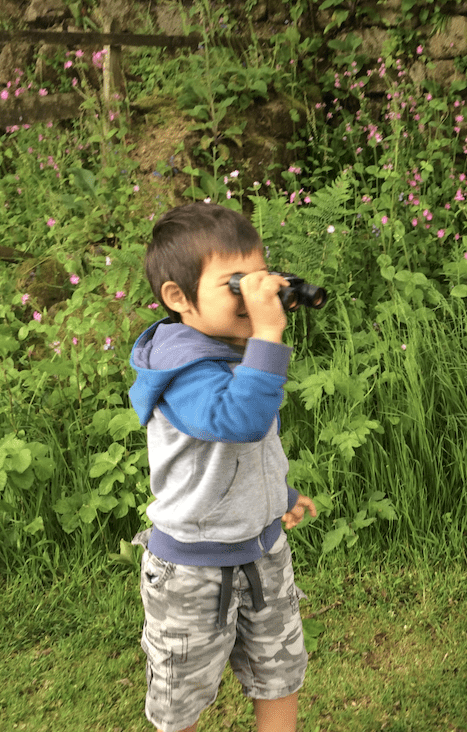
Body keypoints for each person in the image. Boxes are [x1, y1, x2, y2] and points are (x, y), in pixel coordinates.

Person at [128, 202, 318, 732]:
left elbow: (251, 453)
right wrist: (269, 336)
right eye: (235, 283)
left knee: (280, 673)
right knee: (181, 699)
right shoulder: (182, 367)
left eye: (257, 277)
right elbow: (241, 421)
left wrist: (278, 495)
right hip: (191, 570)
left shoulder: (240, 350)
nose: (252, 294)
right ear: (178, 298)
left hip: (262, 550)